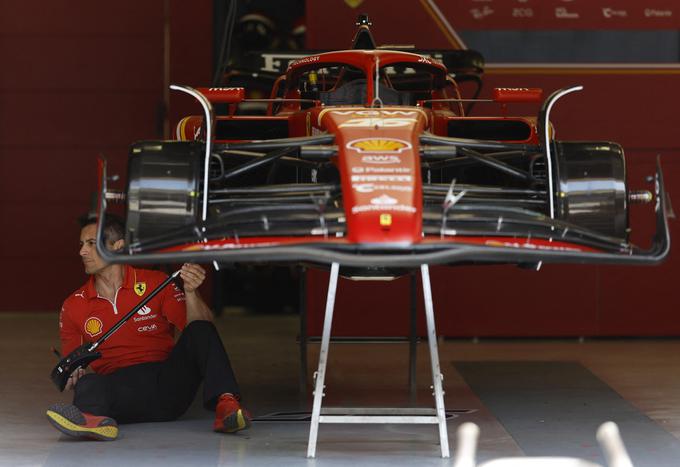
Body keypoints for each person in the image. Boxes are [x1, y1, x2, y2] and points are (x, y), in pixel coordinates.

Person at [46, 214, 250, 441]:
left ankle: (227, 406)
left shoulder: (157, 282)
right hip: (120, 389)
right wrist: (74, 372)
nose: (82, 252)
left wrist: (191, 292)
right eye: (82, 245)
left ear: (118, 247)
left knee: (201, 329)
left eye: (91, 244)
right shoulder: (73, 304)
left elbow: (200, 332)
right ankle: (94, 421)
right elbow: (72, 362)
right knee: (88, 382)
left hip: (167, 384)